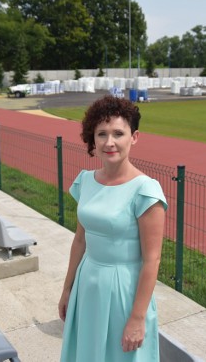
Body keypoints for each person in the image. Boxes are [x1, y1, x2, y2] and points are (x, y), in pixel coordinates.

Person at [58, 95, 167, 361]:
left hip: (124, 291)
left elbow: (152, 259)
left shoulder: (145, 191)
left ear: (135, 137)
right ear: (92, 139)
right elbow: (80, 241)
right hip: (88, 283)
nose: (109, 142)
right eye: (101, 134)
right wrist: (67, 288)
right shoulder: (86, 181)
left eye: (118, 133)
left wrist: (137, 318)